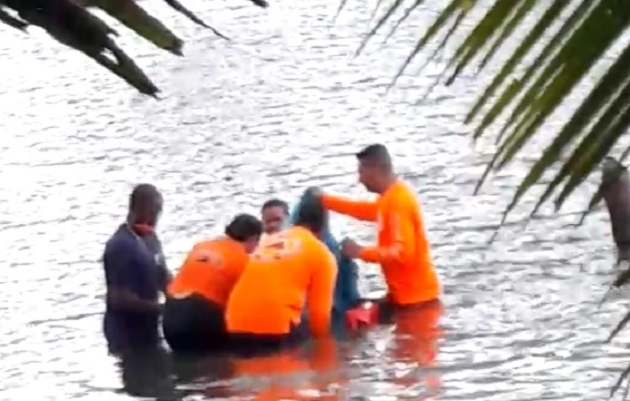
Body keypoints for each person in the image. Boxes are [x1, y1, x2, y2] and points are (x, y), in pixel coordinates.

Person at [317, 144, 440, 311]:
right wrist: (325, 201)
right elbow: (362, 210)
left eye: (361, 172)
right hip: (405, 297)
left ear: (374, 169)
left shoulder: (398, 201)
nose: (359, 179)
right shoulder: (390, 198)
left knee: (409, 337)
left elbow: (402, 252)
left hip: (417, 302)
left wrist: (360, 252)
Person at [225, 192, 337, 354]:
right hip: (275, 324)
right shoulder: (322, 253)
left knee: (248, 372)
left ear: (293, 220)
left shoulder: (267, 241)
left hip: (235, 320)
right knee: (285, 372)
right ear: (323, 226)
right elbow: (319, 318)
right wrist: (325, 351)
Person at [163, 214, 263, 354]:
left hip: (170, 315)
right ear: (253, 239)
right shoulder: (243, 259)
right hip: (201, 315)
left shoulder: (201, 246)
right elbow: (247, 306)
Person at [102, 184, 171, 354]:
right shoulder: (120, 246)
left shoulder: (150, 238)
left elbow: (162, 275)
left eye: (157, 213)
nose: (154, 219)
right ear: (137, 209)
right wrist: (162, 309)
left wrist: (181, 300)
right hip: (126, 337)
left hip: (150, 331)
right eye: (152, 212)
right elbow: (118, 299)